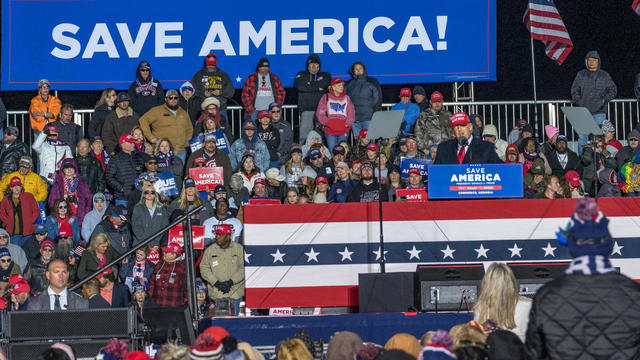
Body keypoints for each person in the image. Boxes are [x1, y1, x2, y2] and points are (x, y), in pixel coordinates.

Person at [526, 198, 640, 358]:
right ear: (608, 247)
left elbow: (534, 354)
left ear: (573, 248)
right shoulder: (635, 294)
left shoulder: (547, 296)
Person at [571, 51, 617, 155]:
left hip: (599, 112)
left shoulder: (604, 75)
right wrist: (579, 101)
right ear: (586, 61)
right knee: (582, 138)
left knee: (599, 138)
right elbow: (574, 90)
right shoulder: (581, 74)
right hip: (583, 112)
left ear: (598, 62)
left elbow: (613, 90)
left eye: (594, 60)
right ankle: (583, 162)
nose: (591, 62)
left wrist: (604, 100)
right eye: (589, 60)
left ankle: (599, 161)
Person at [473, 263, 531, 343]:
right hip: (520, 353)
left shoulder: (480, 307)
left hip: (492, 353)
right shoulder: (528, 305)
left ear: (486, 283)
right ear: (512, 281)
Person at [200, 224, 244, 315]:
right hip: (216, 294)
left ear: (228, 236)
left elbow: (243, 268)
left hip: (235, 293)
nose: (217, 237)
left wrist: (231, 282)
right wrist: (216, 283)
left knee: (234, 323)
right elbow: (204, 268)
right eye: (216, 234)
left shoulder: (239, 249)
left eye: (220, 235)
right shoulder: (210, 250)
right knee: (217, 324)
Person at [139, 90, 193, 163]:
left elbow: (189, 129)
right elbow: (143, 120)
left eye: (175, 98)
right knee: (163, 173)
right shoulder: (157, 110)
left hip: (180, 151)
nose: (173, 100)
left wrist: (186, 144)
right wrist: (150, 137)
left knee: (179, 173)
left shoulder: (183, 113)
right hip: (162, 151)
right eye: (170, 98)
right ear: (166, 99)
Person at [434, 112, 503, 164]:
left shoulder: (486, 147)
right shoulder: (443, 148)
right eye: (456, 127)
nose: (459, 129)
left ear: (470, 127)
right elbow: (434, 174)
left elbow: (501, 168)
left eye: (462, 125)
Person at [294, 54, 332, 143]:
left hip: (322, 112)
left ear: (319, 65)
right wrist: (318, 88)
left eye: (316, 64)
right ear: (308, 65)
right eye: (312, 64)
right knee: (304, 137)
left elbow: (325, 84)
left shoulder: (325, 75)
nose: (314, 66)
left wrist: (309, 85)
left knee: (321, 137)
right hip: (307, 111)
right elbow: (300, 86)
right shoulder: (301, 74)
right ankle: (303, 155)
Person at [48, 159, 93, 225]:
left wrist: (85, 213)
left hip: (79, 214)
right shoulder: (58, 183)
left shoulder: (82, 183)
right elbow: (52, 201)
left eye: (71, 167)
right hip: (62, 214)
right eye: (66, 168)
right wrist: (57, 213)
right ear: (63, 170)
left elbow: (89, 199)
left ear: (75, 169)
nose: (69, 170)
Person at [316, 79, 356, 151]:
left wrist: (347, 124)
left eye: (342, 85)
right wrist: (328, 123)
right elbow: (320, 113)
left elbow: (351, 112)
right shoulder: (326, 97)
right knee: (332, 150)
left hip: (343, 129)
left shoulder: (346, 98)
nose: (341, 87)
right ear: (333, 87)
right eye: (339, 85)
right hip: (329, 130)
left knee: (343, 150)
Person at [191, 53, 234, 118]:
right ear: (206, 64)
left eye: (212, 65)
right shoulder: (198, 75)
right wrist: (203, 93)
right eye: (209, 65)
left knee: (223, 127)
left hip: (221, 110)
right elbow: (192, 91)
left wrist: (220, 92)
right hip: (204, 109)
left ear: (215, 64)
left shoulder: (223, 75)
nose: (210, 67)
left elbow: (231, 92)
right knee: (206, 127)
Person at [0, 177, 40, 247]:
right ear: (11, 188)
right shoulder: (6, 199)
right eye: (14, 186)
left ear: (21, 187)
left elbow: (36, 211)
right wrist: (7, 222)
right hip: (13, 235)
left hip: (28, 233)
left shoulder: (29, 196)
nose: (16, 188)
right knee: (15, 255)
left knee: (29, 255)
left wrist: (30, 221)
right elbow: (2, 213)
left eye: (18, 185)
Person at [346, 61, 381, 136]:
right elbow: (345, 101)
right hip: (355, 120)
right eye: (356, 69)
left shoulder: (372, 81)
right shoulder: (348, 84)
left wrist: (375, 114)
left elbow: (378, 98)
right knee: (358, 143)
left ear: (364, 70)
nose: (358, 70)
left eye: (360, 68)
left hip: (369, 118)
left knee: (370, 142)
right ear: (353, 71)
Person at [149, 243, 187, 307]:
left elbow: (187, 285)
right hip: (157, 304)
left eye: (166, 252)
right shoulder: (159, 264)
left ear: (174, 255)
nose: (164, 253)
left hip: (174, 305)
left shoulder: (181, 267)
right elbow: (152, 282)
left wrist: (183, 302)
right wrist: (151, 298)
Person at [132, 185, 169, 249]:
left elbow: (164, 226)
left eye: (152, 192)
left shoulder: (161, 208)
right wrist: (146, 243)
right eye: (147, 192)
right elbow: (136, 227)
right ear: (144, 194)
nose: (150, 194)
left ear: (155, 194)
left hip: (157, 245)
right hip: (141, 244)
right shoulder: (137, 208)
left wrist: (156, 242)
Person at [105, 134, 139, 202]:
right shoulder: (115, 159)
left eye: (133, 142)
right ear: (122, 144)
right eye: (130, 142)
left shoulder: (138, 157)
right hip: (122, 198)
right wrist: (122, 188)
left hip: (137, 196)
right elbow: (109, 178)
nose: (133, 144)